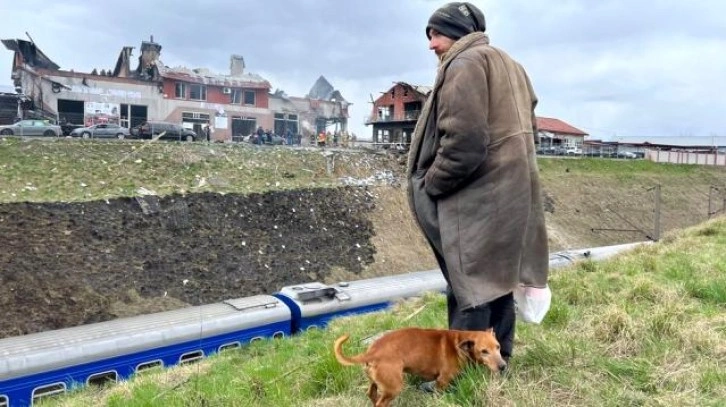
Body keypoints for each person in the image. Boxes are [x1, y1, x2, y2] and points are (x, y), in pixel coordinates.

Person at [407, 2, 549, 365]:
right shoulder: (510, 64)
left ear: (456, 33)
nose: (431, 44)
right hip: (510, 193)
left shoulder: (464, 64)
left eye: (436, 34)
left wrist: (432, 183)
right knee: (498, 283)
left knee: (468, 287)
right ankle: (496, 366)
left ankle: (460, 374)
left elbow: (464, 143)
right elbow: (529, 127)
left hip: (476, 200)